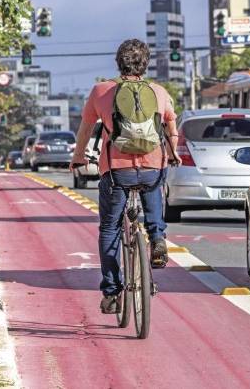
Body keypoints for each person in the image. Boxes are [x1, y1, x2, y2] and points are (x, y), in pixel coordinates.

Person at [70, 39, 181, 314]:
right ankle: (157, 238)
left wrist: (79, 156)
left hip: (116, 171)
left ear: (118, 63)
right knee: (154, 199)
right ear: (146, 64)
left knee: (110, 228)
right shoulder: (158, 92)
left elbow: (85, 131)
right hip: (152, 167)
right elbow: (170, 127)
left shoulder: (101, 91)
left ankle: (111, 292)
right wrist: (174, 152)